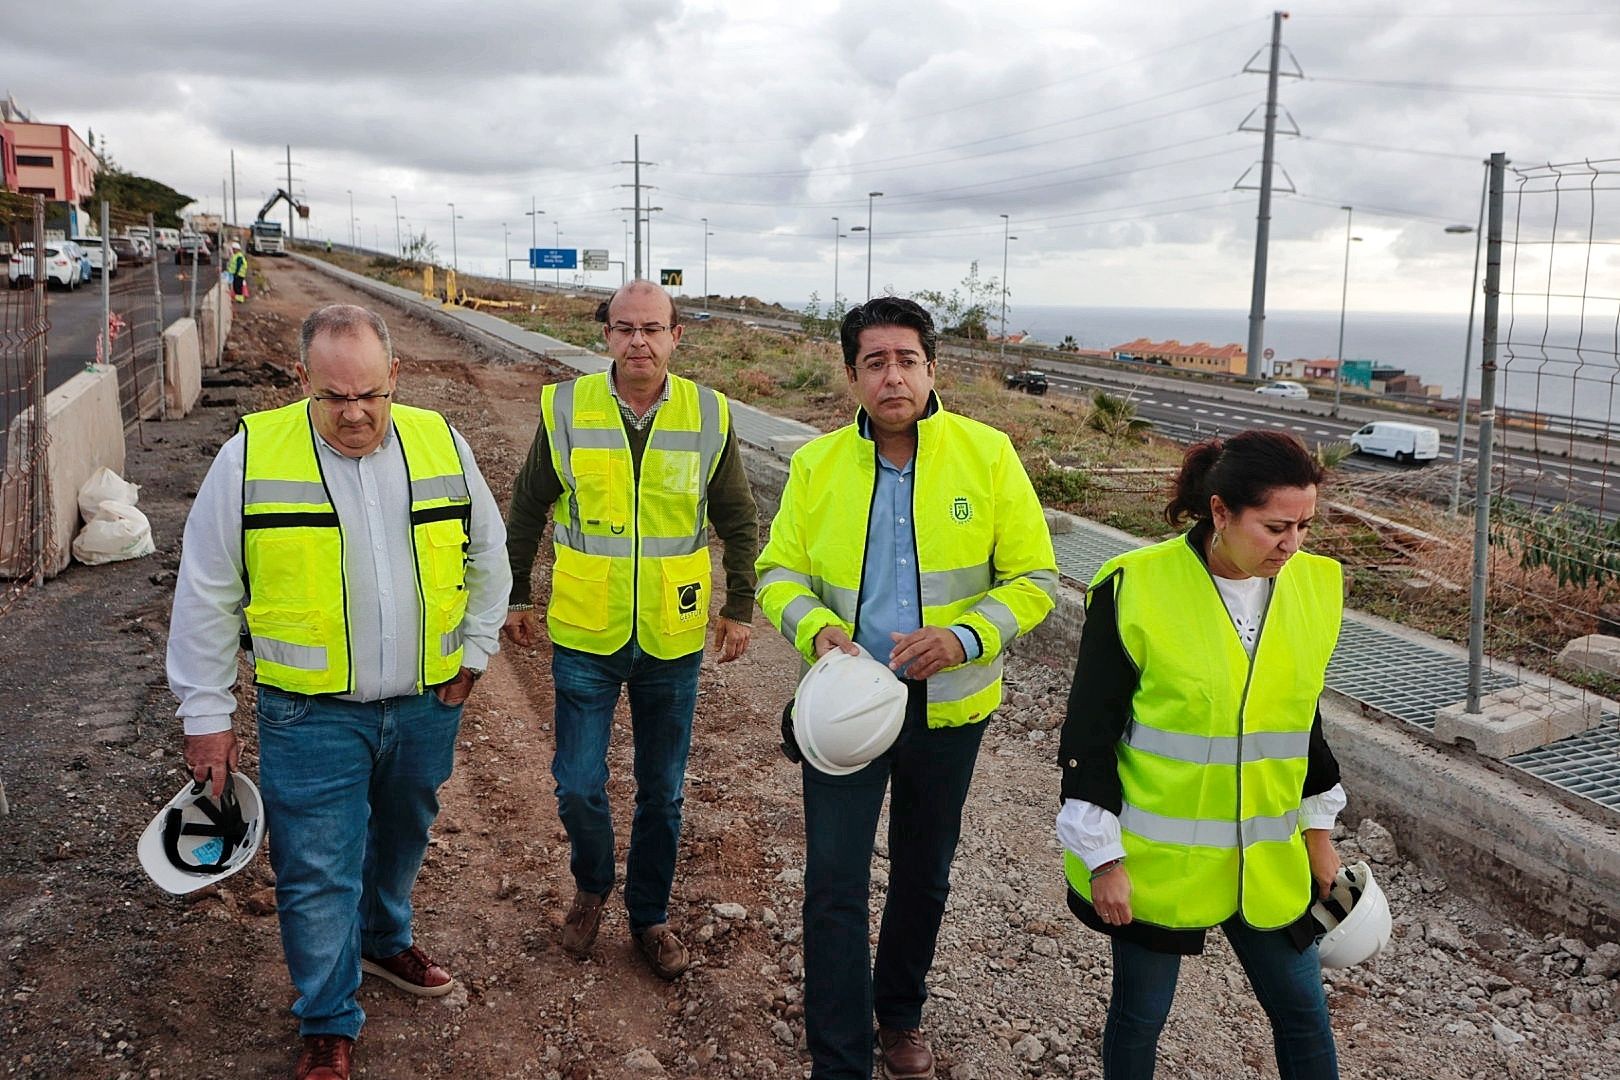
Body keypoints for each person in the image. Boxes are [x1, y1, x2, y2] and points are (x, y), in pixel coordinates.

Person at [167, 304, 511, 1080]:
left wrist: (478, 648)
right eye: (334, 397)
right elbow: (206, 591)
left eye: (370, 395)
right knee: (318, 864)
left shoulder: (440, 442)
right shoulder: (250, 457)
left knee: (403, 834)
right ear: (302, 382)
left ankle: (384, 940)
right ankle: (327, 1018)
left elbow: (489, 555)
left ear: (396, 376)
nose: (354, 414)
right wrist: (207, 713)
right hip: (308, 712)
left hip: (426, 703)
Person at [756, 296, 1058, 1080]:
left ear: (932, 367)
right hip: (846, 708)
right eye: (875, 362)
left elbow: (1035, 579)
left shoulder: (988, 456)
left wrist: (963, 636)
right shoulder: (817, 464)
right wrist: (816, 629)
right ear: (853, 373)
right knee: (833, 883)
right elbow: (777, 573)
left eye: (907, 359)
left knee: (924, 873)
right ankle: (839, 1055)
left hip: (947, 707)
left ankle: (899, 1016)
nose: (893, 376)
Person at [1056, 429, 1349, 1080]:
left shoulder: (1317, 586)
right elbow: (1089, 734)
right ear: (1221, 512)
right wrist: (1104, 860)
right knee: (1140, 1018)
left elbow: (1301, 718)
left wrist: (1319, 833)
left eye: (1305, 525)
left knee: (1303, 1012)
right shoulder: (1135, 587)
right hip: (1160, 865)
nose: (1293, 544)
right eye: (1276, 526)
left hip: (1268, 860)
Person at [504, 278, 758, 980]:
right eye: (624, 328)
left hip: (671, 639)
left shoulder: (708, 414)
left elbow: (738, 518)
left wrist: (740, 606)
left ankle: (649, 915)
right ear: (605, 334)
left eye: (652, 328)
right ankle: (592, 885)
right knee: (578, 783)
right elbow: (528, 507)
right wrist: (517, 595)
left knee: (663, 790)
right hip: (587, 631)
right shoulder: (567, 409)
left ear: (677, 336)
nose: (638, 341)